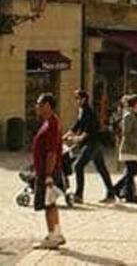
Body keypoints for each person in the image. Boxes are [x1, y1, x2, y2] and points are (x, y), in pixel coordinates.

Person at [65, 89, 115, 204]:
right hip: (93, 143)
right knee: (102, 168)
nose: (76, 101)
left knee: (78, 166)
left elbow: (87, 131)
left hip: (92, 143)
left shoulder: (89, 112)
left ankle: (79, 195)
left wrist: (75, 139)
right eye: (75, 98)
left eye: (78, 98)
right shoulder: (82, 110)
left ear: (84, 99)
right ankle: (111, 193)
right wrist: (65, 136)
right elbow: (77, 126)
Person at [32, 93, 65, 249]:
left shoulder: (51, 124)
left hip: (48, 172)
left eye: (39, 104)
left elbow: (51, 152)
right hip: (47, 170)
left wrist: (48, 175)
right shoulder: (51, 122)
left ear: (47, 106)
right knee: (51, 203)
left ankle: (53, 236)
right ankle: (56, 233)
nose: (36, 106)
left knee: (48, 205)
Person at [111, 94, 137, 203]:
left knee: (132, 171)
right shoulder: (129, 116)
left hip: (135, 149)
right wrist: (135, 143)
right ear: (135, 104)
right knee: (132, 171)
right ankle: (124, 192)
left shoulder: (134, 115)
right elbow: (126, 133)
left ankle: (119, 190)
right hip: (130, 148)